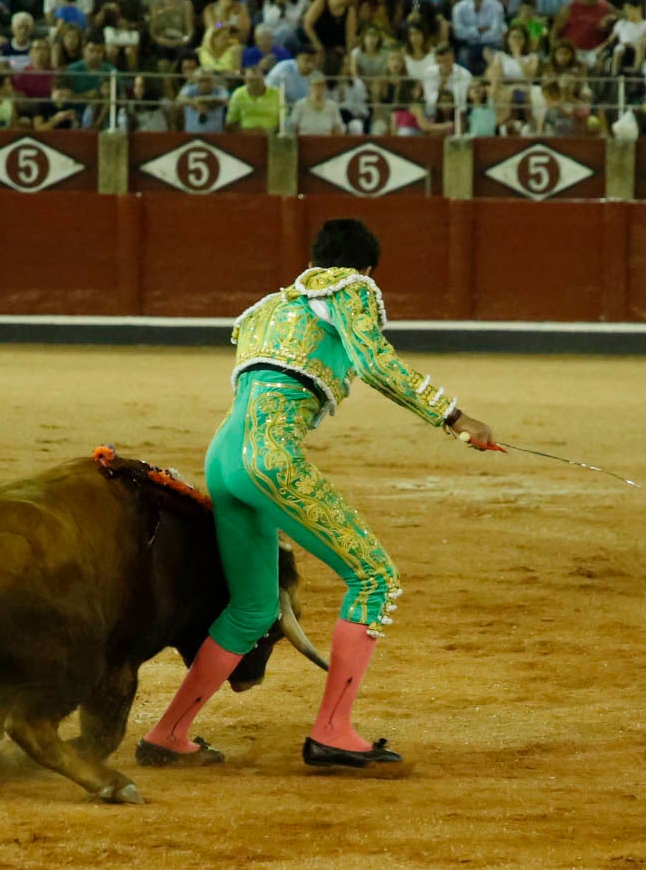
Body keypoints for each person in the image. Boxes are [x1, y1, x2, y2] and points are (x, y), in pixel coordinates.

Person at [135, 219, 494, 771]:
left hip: (225, 456)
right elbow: (375, 363)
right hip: (271, 459)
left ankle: (168, 734)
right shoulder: (350, 288)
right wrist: (453, 417)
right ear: (367, 270)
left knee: (253, 607)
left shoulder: (269, 307)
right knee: (375, 578)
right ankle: (331, 730)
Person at [226, 64, 282, 133]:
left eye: (258, 80)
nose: (255, 83)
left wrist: (271, 132)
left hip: (272, 136)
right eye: (251, 80)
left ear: (263, 79)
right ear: (245, 80)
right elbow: (231, 122)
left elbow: (283, 121)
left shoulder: (276, 94)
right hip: (246, 137)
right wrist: (247, 132)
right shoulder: (238, 94)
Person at [290, 70, 343, 134]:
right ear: (309, 86)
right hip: (304, 141)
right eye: (315, 85)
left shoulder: (332, 106)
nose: (319, 88)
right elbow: (293, 128)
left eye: (321, 85)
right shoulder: (300, 105)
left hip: (326, 142)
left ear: (325, 87)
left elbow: (338, 129)